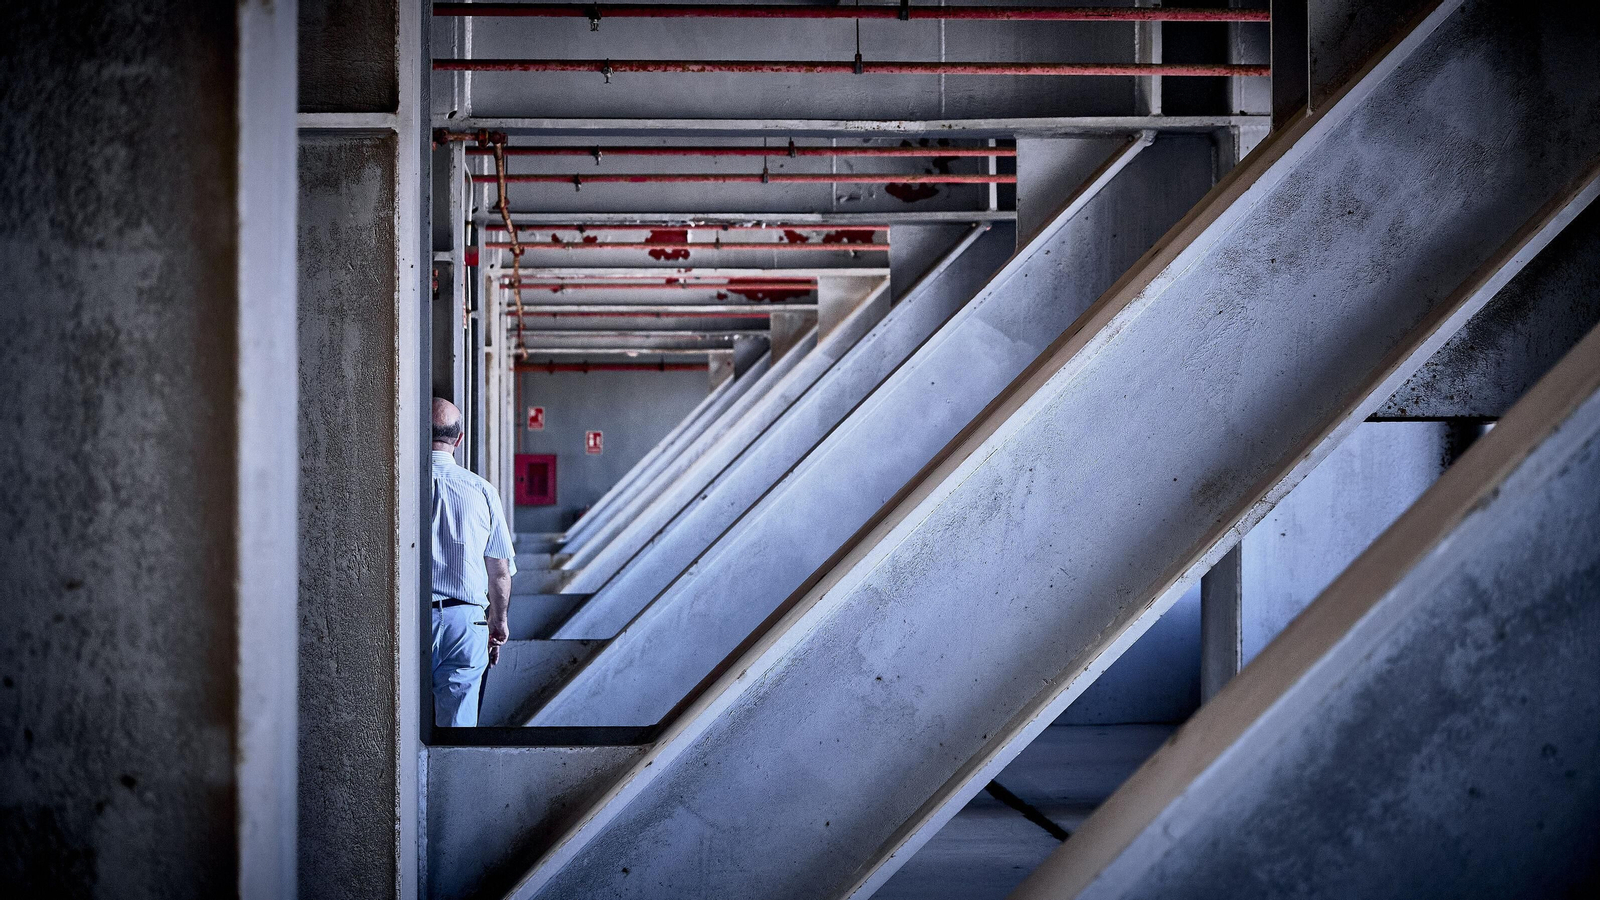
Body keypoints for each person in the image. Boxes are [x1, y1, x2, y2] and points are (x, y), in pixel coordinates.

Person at [429, 397, 516, 726]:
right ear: (459, 439)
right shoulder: (481, 490)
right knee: (457, 730)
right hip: (464, 622)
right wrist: (498, 621)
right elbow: (500, 574)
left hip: (402, 620)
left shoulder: (396, 487)